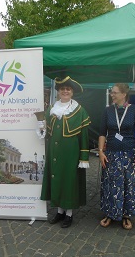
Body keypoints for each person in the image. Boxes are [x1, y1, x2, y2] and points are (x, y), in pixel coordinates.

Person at [41, 76, 91, 228]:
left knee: (69, 182)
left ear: (72, 92)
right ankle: (59, 211)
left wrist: (84, 157)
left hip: (71, 154)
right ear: (59, 92)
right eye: (62, 89)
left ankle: (69, 214)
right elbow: (48, 132)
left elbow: (84, 136)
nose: (65, 91)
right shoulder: (52, 109)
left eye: (68, 89)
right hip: (54, 152)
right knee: (57, 179)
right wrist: (42, 128)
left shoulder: (79, 111)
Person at [98, 83, 135, 230]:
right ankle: (110, 213)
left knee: (129, 185)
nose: (112, 95)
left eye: (115, 93)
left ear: (124, 94)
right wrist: (100, 152)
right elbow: (102, 132)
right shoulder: (108, 111)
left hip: (130, 154)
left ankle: (126, 215)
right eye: (112, 92)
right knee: (112, 185)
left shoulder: (134, 110)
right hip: (111, 154)